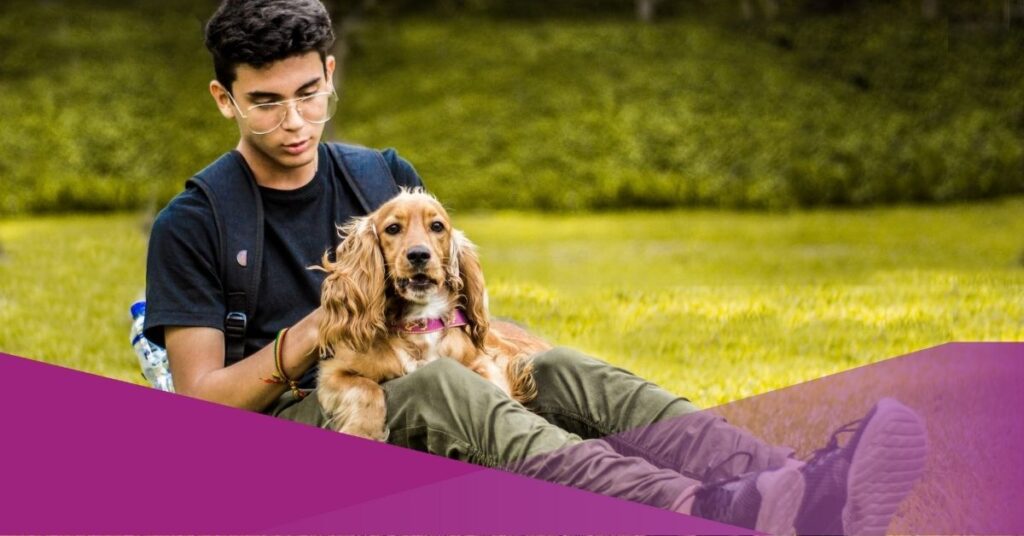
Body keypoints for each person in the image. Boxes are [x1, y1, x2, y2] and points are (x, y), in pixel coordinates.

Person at [144, 0, 927, 533]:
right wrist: (324, 327)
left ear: (331, 75)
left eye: (309, 94)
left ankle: (803, 484)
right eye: (266, 102)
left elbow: (452, 309)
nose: (294, 122)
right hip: (323, 417)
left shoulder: (382, 176)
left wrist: (514, 345)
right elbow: (202, 406)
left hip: (421, 361)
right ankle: (712, 511)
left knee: (567, 372)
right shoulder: (195, 223)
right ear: (225, 99)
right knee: (442, 386)